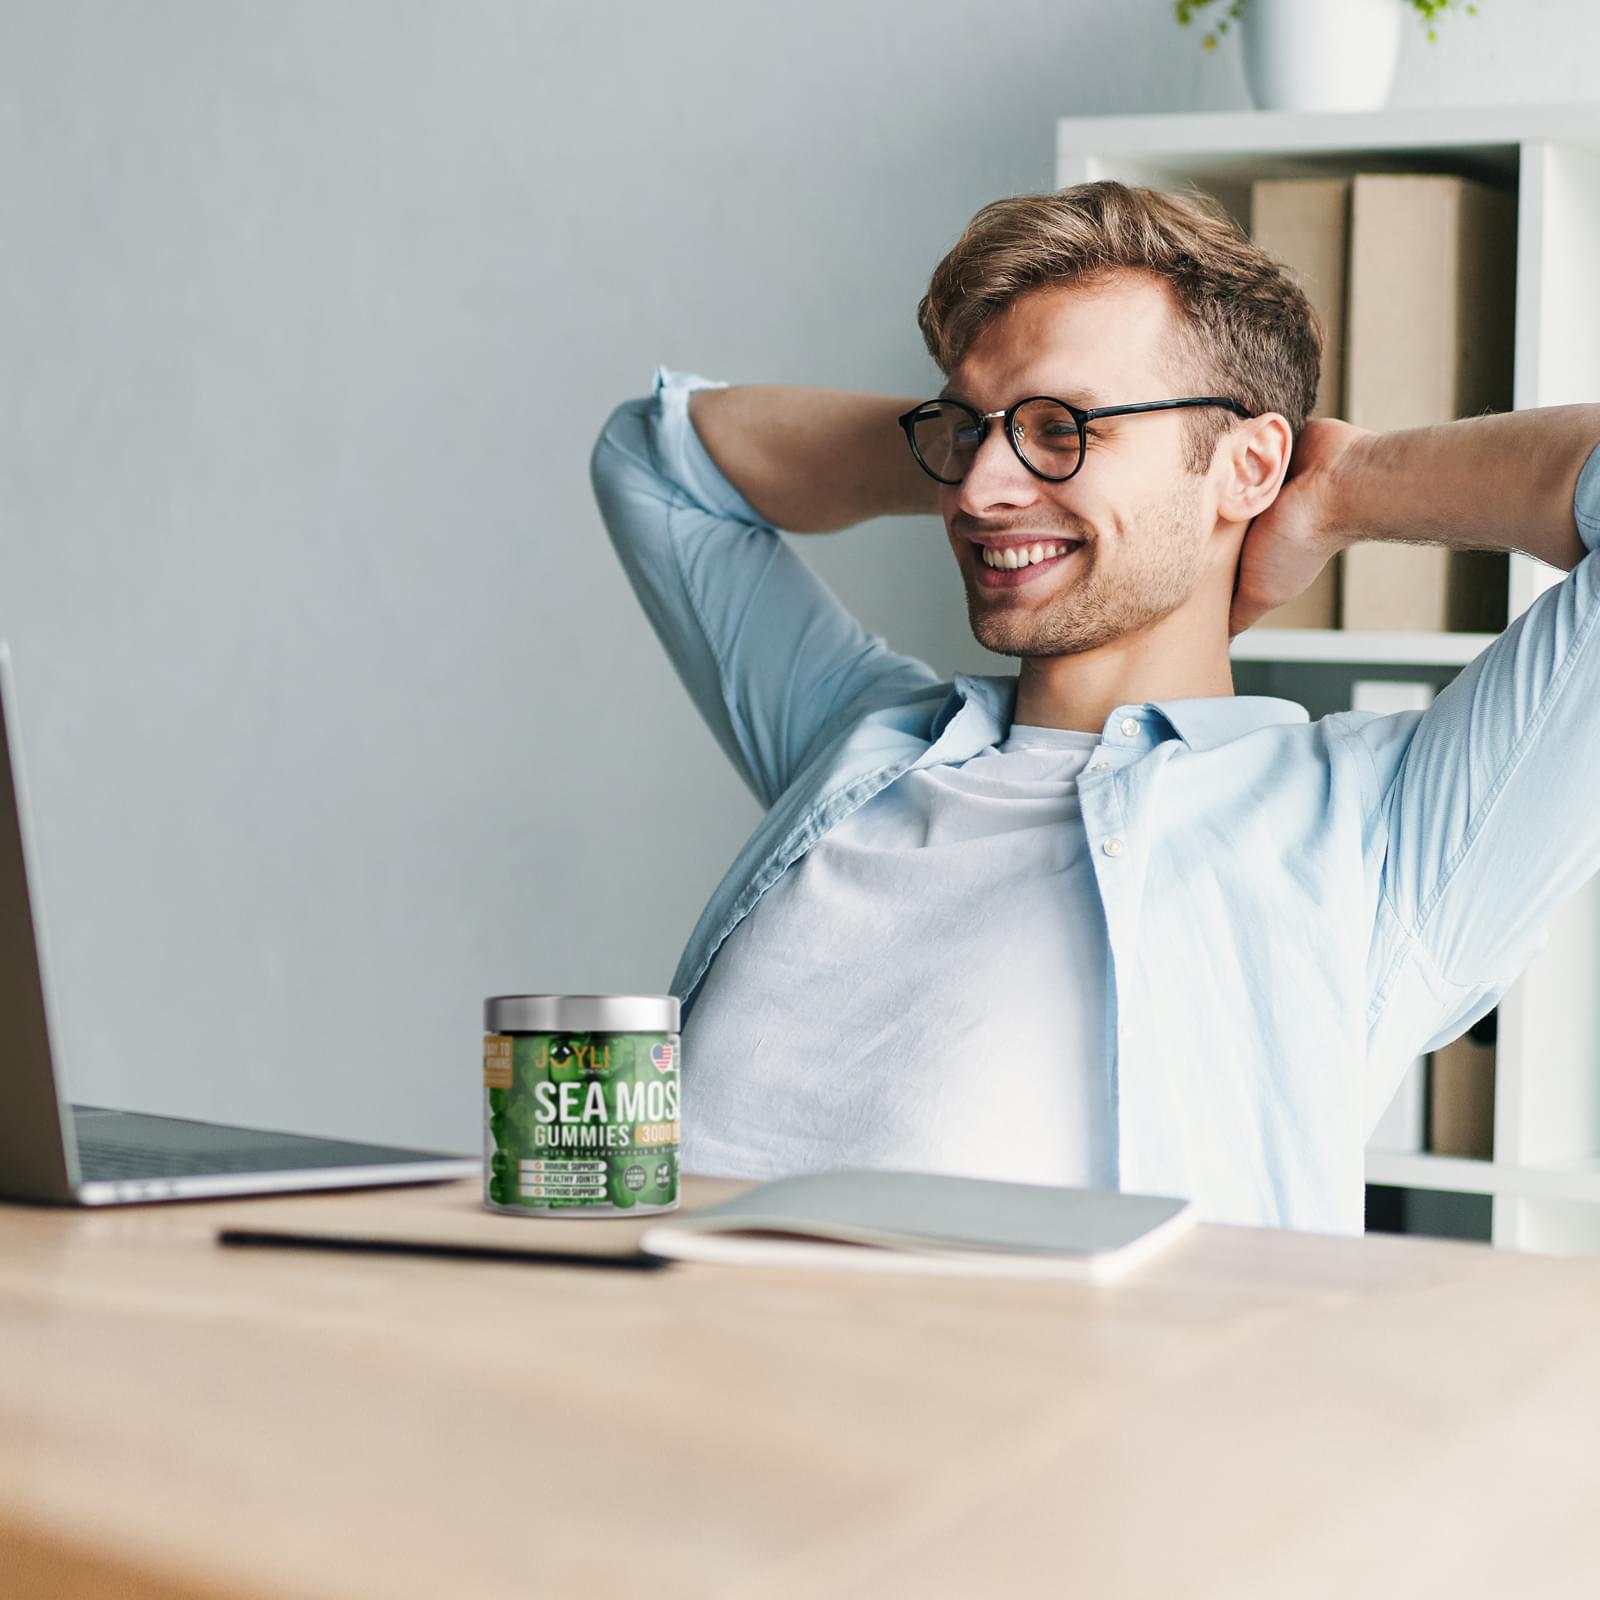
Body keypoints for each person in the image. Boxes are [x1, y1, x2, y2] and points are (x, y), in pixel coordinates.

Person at [589, 178, 1600, 1233]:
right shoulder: (860, 739)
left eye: (1063, 426)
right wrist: (981, 440)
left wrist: (1342, 485)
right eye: (966, 433)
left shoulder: (1379, 837)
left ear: (1249, 463)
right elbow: (656, 459)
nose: (975, 496)